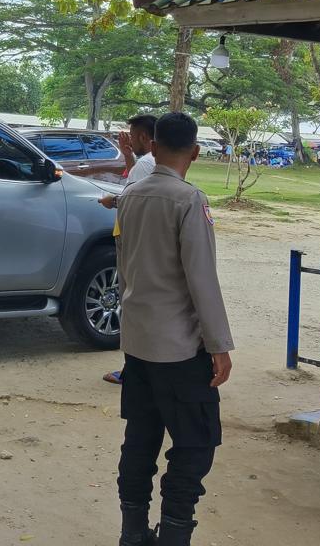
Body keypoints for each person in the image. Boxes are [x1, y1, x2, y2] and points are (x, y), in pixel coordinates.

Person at [114, 112, 233, 546]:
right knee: (195, 443)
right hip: (179, 347)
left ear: (153, 145)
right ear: (196, 152)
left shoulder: (130, 195)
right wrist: (219, 345)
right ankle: (175, 532)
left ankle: (133, 532)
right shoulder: (189, 200)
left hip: (138, 340)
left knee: (140, 439)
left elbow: (123, 264)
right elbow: (201, 278)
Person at [99, 114, 159, 386]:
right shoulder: (151, 162)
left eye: (132, 136)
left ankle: (132, 370)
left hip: (132, 239)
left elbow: (130, 199)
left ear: (144, 137)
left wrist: (111, 201)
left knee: (131, 305)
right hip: (148, 241)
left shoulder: (145, 164)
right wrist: (127, 156)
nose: (129, 140)